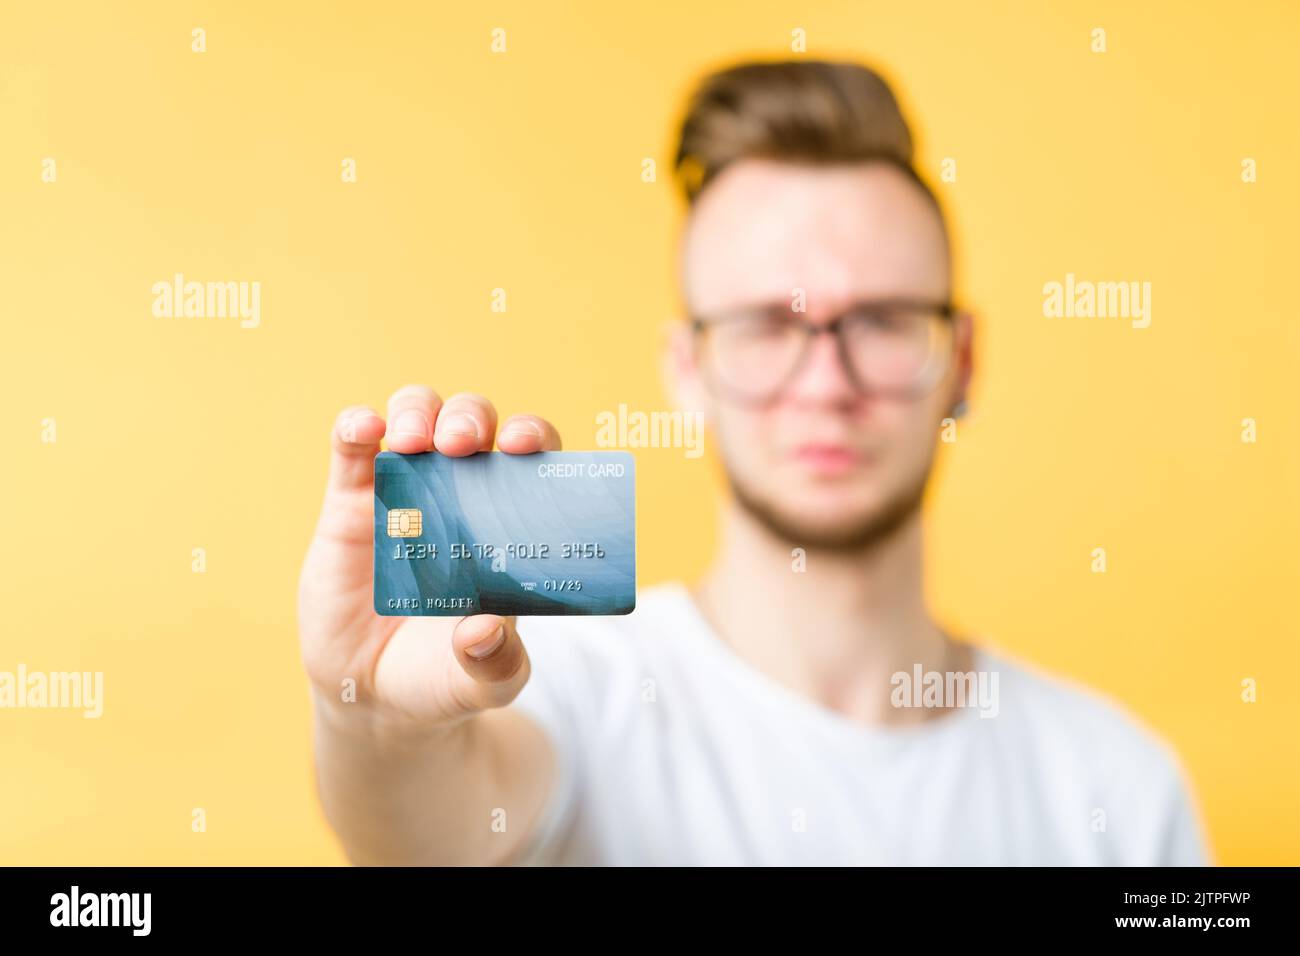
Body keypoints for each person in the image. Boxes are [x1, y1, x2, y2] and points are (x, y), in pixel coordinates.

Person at [297, 59, 1209, 865]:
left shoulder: (1118, 792)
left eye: (884, 320)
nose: (826, 382)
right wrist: (372, 723)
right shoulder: (563, 687)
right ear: (686, 371)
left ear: (961, 362)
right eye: (769, 326)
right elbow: (434, 836)